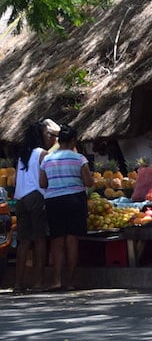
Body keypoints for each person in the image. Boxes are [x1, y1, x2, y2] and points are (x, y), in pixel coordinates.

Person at [39, 123, 93, 291]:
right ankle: (70, 281)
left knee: (57, 242)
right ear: (73, 140)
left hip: (54, 201)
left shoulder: (47, 158)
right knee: (72, 241)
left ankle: (56, 280)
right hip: (75, 200)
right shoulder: (79, 159)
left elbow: (42, 183)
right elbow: (88, 182)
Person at [12, 118, 59, 291]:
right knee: (40, 241)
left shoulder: (22, 154)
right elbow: (45, 178)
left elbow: (15, 179)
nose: (50, 138)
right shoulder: (42, 153)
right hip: (36, 196)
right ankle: (38, 282)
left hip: (20, 198)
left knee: (24, 242)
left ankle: (18, 283)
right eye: (48, 134)